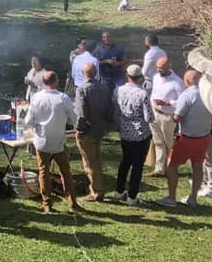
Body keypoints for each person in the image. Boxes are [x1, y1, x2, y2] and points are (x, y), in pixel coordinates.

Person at [156, 70, 212, 207]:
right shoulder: (208, 94)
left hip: (187, 138)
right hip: (204, 137)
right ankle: (193, 198)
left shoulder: (187, 95)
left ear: (186, 81)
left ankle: (171, 198)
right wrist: (169, 102)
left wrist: (163, 111)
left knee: (171, 166)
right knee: (198, 166)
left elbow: (177, 117)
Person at [26, 71, 80, 213]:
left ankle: (47, 203)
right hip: (59, 141)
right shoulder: (63, 98)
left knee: (43, 172)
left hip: (42, 140)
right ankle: (73, 204)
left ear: (44, 83)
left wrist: (34, 125)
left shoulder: (37, 98)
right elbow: (74, 119)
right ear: (56, 81)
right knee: (65, 172)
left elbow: (28, 120)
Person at [112, 65, 154, 205]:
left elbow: (115, 110)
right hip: (141, 134)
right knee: (137, 166)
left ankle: (119, 190)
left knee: (125, 162)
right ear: (140, 77)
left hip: (124, 132)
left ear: (127, 76)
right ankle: (132, 196)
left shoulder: (118, 90)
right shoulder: (143, 94)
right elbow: (149, 117)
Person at [74, 62, 113, 202]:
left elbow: (81, 114)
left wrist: (79, 129)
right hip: (99, 129)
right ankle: (98, 187)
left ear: (83, 74)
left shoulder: (81, 89)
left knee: (89, 162)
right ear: (95, 73)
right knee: (96, 159)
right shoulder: (104, 87)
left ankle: (96, 192)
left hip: (88, 131)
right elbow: (110, 109)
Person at [148, 57, 185, 177]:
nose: (159, 70)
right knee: (158, 142)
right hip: (155, 113)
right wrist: (152, 103)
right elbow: (153, 92)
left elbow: (182, 101)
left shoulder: (177, 82)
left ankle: (171, 167)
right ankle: (159, 169)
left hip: (168, 116)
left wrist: (168, 103)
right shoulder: (156, 77)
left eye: (162, 68)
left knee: (168, 143)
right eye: (158, 68)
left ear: (169, 67)